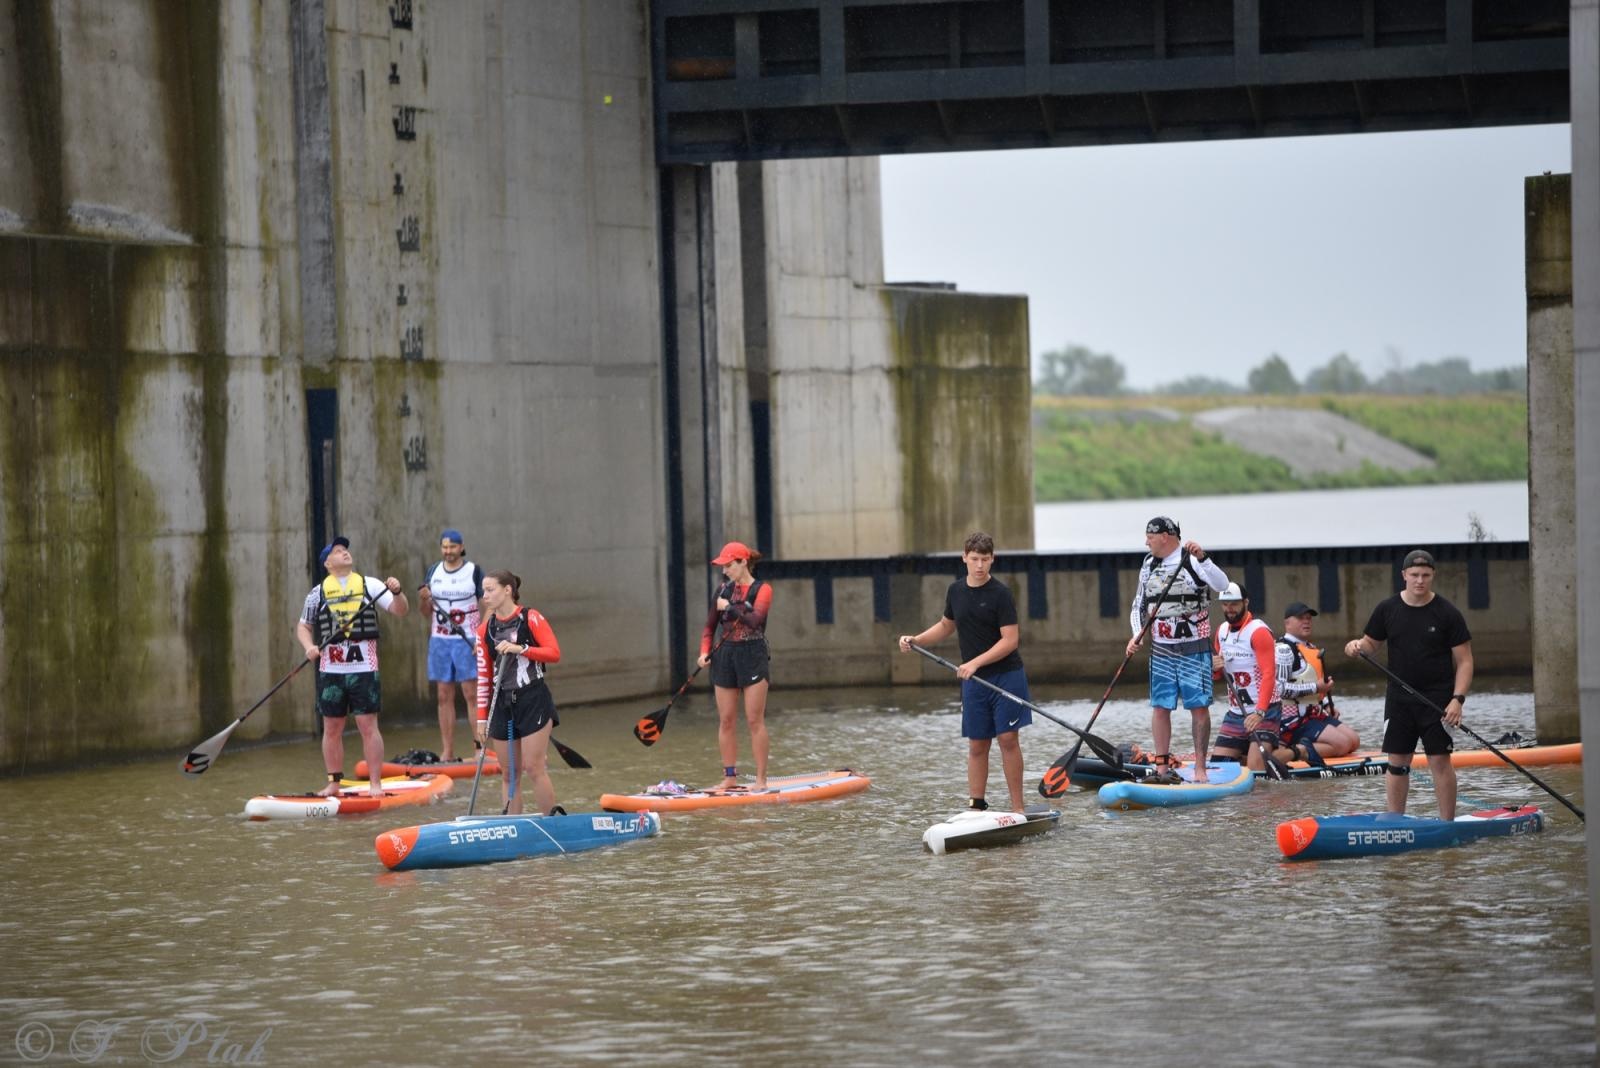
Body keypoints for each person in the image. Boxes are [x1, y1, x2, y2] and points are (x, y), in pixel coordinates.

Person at [897, 531, 1031, 813]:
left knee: (1007, 740)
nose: (980, 565)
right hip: (975, 682)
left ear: (992, 560)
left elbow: (1010, 641)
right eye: (974, 559)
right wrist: (917, 639)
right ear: (964, 559)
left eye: (985, 559)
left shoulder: (1001, 594)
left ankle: (1018, 809)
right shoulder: (956, 591)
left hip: (1006, 676)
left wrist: (974, 663)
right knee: (977, 744)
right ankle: (976, 807)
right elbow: (946, 625)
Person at [1343, 549, 1473, 819]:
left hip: (1438, 701)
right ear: (1404, 575)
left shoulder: (1447, 613)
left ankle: (1447, 824)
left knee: (1439, 761)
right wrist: (1356, 646)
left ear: (1433, 576)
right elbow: (1370, 644)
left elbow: (1465, 661)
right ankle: (1395, 822)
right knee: (1397, 762)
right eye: (1414, 575)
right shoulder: (1387, 609)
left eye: (1425, 575)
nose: (1420, 581)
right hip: (1399, 700)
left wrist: (1457, 700)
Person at [296, 536, 409, 797]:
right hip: (331, 671)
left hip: (364, 668)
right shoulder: (317, 593)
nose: (345, 553)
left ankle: (375, 784)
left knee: (367, 725)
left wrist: (397, 592)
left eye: (346, 550)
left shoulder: (370, 584)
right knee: (332, 727)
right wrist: (309, 646)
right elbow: (304, 626)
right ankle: (334, 782)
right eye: (337, 551)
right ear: (327, 563)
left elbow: (401, 610)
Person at [1126, 516, 1230, 782]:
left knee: (1198, 707)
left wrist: (1205, 558)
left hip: (1194, 649)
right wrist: (1136, 634)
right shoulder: (1149, 564)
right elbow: (1140, 603)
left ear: (1165, 536)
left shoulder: (1193, 560)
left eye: (1150, 536)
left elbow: (1222, 585)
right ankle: (1161, 769)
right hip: (1161, 650)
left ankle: (1200, 769)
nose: (1145, 541)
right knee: (1160, 707)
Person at [472, 570, 565, 816]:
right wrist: (482, 719)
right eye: (483, 591)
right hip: (502, 704)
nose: (485, 596)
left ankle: (552, 823)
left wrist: (520, 648)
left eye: (490, 590)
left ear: (507, 590)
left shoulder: (531, 618)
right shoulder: (485, 631)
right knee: (509, 774)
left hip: (533, 698)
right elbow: (484, 677)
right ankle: (511, 826)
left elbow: (554, 653)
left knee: (534, 767)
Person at [699, 540, 774, 790]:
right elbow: (710, 627)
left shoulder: (763, 589)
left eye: (729, 565)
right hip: (725, 655)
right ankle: (730, 777)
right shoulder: (721, 590)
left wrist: (730, 608)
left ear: (743, 562)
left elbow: (754, 620)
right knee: (726, 720)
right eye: (723, 566)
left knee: (754, 720)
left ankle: (761, 780)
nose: (725, 571)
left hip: (753, 654)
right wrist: (703, 652)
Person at [417, 528, 484, 761]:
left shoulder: (474, 571)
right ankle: (447, 751)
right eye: (445, 547)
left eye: (452, 547)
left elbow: (490, 603)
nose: (448, 551)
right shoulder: (433, 571)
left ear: (461, 547)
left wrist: (482, 636)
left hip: (467, 639)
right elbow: (426, 612)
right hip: (440, 641)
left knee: (471, 693)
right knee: (443, 695)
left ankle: (479, 748)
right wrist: (424, 599)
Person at [1208, 583, 1283, 774]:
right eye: (1225, 604)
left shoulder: (1258, 632)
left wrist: (1260, 712)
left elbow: (1269, 674)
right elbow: (1217, 676)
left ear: (1246, 602)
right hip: (1236, 713)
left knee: (1255, 769)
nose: (1229, 609)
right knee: (1218, 767)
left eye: (1234, 603)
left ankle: (1266, 757)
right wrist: (1214, 668)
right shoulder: (1221, 631)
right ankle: (1246, 756)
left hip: (1265, 711)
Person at [1277, 601, 1360, 763]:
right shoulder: (1283, 650)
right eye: (1301, 618)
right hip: (1292, 720)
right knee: (1343, 744)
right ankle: (1296, 752)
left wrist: (1326, 706)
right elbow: (1279, 690)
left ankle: (1309, 745)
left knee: (1354, 741)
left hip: (1313, 714)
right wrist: (1316, 687)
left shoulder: (1310, 647)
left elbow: (1313, 688)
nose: (1307, 621)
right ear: (1287, 623)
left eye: (1309, 618)